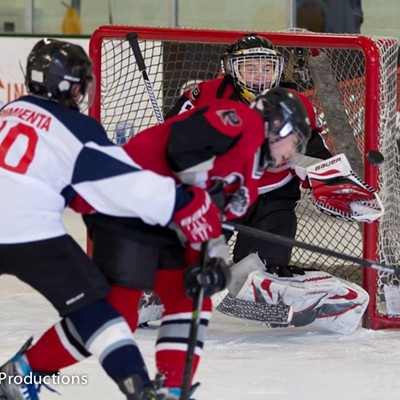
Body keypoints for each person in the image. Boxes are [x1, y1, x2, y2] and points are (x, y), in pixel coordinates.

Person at [11, 87, 312, 399]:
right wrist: (200, 195)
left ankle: (171, 389)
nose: (293, 152)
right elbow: (182, 145)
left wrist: (214, 262)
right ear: (277, 125)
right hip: (129, 203)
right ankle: (24, 371)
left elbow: (210, 225)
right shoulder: (244, 121)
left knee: (190, 296)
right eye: (294, 141)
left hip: (160, 220)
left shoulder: (248, 182)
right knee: (117, 314)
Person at [0, 38, 224, 400]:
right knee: (99, 313)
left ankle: (21, 374)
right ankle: (138, 389)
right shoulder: (75, 127)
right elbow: (125, 186)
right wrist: (183, 203)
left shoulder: (8, 111)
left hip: (21, 221)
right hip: (29, 233)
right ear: (73, 86)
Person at [141, 33, 378, 334]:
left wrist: (333, 183)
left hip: (273, 201)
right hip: (219, 197)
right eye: (250, 67)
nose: (259, 75)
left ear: (278, 70)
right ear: (232, 69)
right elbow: (171, 138)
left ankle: (305, 303)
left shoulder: (296, 103)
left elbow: (314, 151)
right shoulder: (207, 96)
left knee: (251, 276)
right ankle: (151, 292)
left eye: (266, 67)